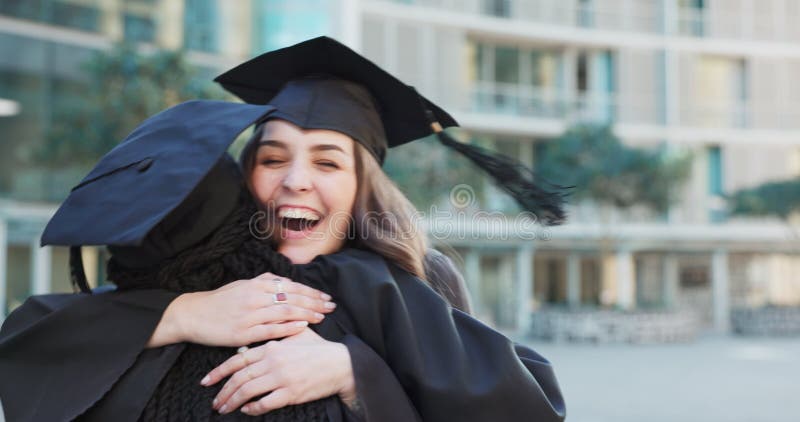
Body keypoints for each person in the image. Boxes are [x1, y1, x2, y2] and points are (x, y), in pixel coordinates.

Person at [1, 36, 566, 421]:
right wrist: (183, 315)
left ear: (360, 186)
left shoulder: (412, 283)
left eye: (326, 161)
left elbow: (525, 403)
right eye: (273, 159)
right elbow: (31, 345)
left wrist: (355, 373)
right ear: (246, 176)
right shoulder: (191, 276)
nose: (296, 180)